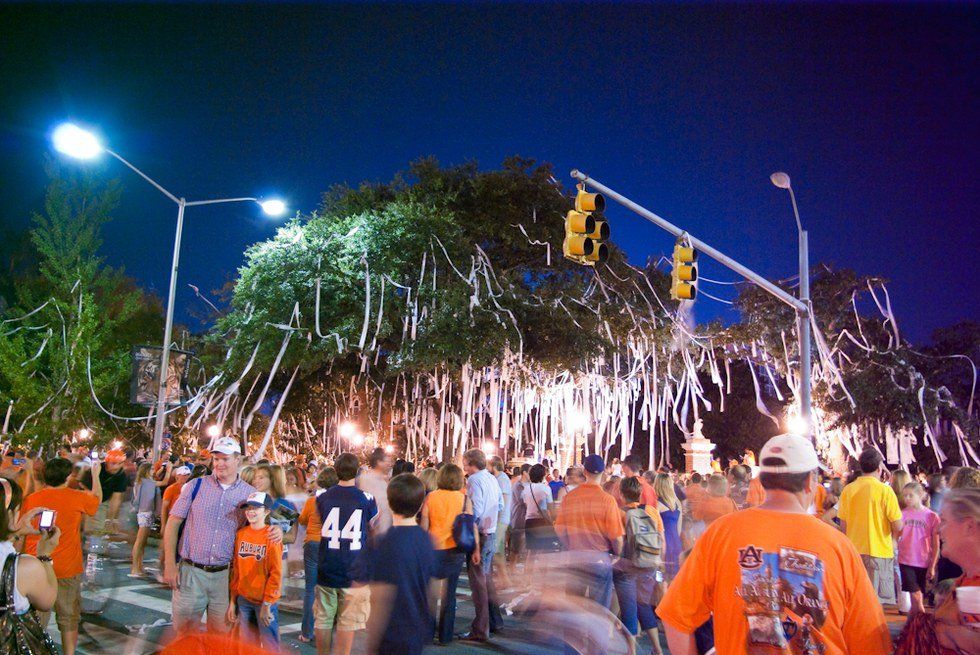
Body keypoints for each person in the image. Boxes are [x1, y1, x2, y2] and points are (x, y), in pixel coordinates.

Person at [657, 433, 893, 655]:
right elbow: (871, 640)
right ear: (810, 482)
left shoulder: (722, 533)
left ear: (762, 481)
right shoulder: (838, 546)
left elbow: (676, 618)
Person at [163, 437, 261, 635]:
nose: (219, 464)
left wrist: (275, 531)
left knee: (221, 639)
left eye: (225, 459)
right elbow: (173, 524)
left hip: (225, 578)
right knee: (184, 638)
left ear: (238, 461)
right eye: (216, 459)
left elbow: (258, 530)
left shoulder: (249, 494)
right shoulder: (195, 486)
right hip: (191, 574)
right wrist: (170, 565)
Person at [21, 457, 101, 655]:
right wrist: (96, 476)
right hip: (67, 567)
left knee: (37, 621)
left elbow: (23, 530)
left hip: (37, 567)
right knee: (68, 619)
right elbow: (96, 500)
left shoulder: (33, 499)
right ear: (67, 477)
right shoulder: (77, 496)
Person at [894, 488, 980, 655]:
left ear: (969, 526)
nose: (939, 529)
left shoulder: (975, 587)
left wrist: (943, 632)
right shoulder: (967, 580)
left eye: (945, 521)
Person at [363, 473, 436, 654]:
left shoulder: (384, 542)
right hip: (416, 631)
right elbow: (434, 589)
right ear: (421, 505)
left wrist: (371, 643)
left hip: (391, 635)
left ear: (389, 502)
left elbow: (379, 598)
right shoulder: (427, 541)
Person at [314, 453, 377, 655]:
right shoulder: (366, 498)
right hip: (354, 565)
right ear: (357, 472)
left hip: (328, 561)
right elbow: (373, 526)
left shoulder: (322, 496)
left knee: (323, 617)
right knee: (348, 621)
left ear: (335, 470)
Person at [554, 454, 624, 610]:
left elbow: (559, 529)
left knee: (573, 606)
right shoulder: (607, 500)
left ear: (584, 472)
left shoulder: (570, 497)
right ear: (603, 473)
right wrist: (618, 555)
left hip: (576, 557)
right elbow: (616, 537)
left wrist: (571, 545)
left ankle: (575, 634)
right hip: (599, 559)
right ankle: (594, 635)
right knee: (598, 610)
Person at [0, 476, 61, 649]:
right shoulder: (24, 567)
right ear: (10, 514)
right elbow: (46, 601)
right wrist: (45, 555)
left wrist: (14, 531)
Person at [838, 447, 903, 606]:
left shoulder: (848, 490)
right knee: (876, 603)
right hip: (880, 552)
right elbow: (898, 525)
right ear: (879, 468)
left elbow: (843, 525)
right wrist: (894, 540)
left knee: (856, 600)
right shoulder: (885, 491)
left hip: (854, 552)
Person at [615, 476, 665, 655]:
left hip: (629, 565)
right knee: (643, 605)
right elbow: (661, 539)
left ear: (621, 494)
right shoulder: (651, 510)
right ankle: (658, 648)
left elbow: (619, 542)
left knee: (629, 607)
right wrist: (660, 564)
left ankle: (632, 651)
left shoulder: (620, 513)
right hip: (651, 563)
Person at [226, 491, 283, 649]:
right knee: (247, 645)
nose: (251, 511)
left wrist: (267, 604)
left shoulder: (272, 537)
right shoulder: (241, 534)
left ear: (266, 511)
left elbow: (276, 574)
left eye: (256, 508)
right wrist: (232, 602)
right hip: (244, 599)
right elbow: (236, 570)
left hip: (265, 602)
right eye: (248, 508)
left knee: (270, 645)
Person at [420, 463, 469, 645]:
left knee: (430, 593)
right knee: (450, 593)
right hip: (454, 549)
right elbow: (470, 525)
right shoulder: (464, 499)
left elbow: (425, 524)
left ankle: (427, 632)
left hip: (433, 548)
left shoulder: (431, 497)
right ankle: (445, 635)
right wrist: (476, 549)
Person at [458, 448, 504, 642]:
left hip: (481, 535)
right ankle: (495, 621)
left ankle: (480, 629)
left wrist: (470, 530)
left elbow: (474, 509)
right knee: (486, 579)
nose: (463, 468)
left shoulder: (474, 480)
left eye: (465, 464)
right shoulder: (492, 478)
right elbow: (500, 505)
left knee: (478, 584)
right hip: (491, 531)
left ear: (470, 463)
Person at [297, 467, 337, 643]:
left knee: (310, 589)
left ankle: (307, 631)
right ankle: (328, 631)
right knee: (330, 589)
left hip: (312, 543)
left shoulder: (312, 501)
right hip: (331, 545)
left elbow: (302, 520)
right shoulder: (338, 502)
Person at [896, 481, 940, 614]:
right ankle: (920, 623)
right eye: (905, 496)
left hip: (923, 560)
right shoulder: (902, 514)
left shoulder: (931, 516)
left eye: (910, 495)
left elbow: (935, 543)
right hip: (906, 559)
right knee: (915, 595)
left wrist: (932, 564)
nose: (907, 499)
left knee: (918, 594)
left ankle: (915, 625)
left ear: (920, 495)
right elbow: (897, 534)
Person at [130, 460, 172, 577]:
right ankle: (135, 568)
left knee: (142, 542)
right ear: (147, 471)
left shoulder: (142, 482)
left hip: (144, 512)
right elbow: (164, 482)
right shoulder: (147, 482)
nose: (154, 471)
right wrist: (168, 470)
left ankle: (139, 566)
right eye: (152, 469)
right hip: (145, 513)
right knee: (140, 542)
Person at [82, 448, 130, 535]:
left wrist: (110, 519)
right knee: (86, 528)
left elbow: (116, 499)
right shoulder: (96, 469)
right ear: (107, 462)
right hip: (87, 500)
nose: (117, 467)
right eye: (113, 463)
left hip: (102, 503)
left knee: (97, 530)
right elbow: (84, 487)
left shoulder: (121, 475)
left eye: (120, 463)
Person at [653, 472, 683, 580]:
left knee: (660, 579)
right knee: (674, 579)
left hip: (663, 545)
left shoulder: (657, 505)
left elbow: (655, 529)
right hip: (676, 543)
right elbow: (679, 528)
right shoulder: (678, 503)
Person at [357, 448, 392, 537]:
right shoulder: (364, 480)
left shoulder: (384, 482)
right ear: (378, 462)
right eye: (386, 462)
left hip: (384, 531)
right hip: (372, 533)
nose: (389, 465)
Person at [488, 456, 512, 588]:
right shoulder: (498, 479)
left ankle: (504, 579)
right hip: (498, 519)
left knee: (496, 549)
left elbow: (501, 501)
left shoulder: (502, 479)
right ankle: (504, 579)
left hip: (500, 519)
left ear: (493, 466)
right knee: (499, 549)